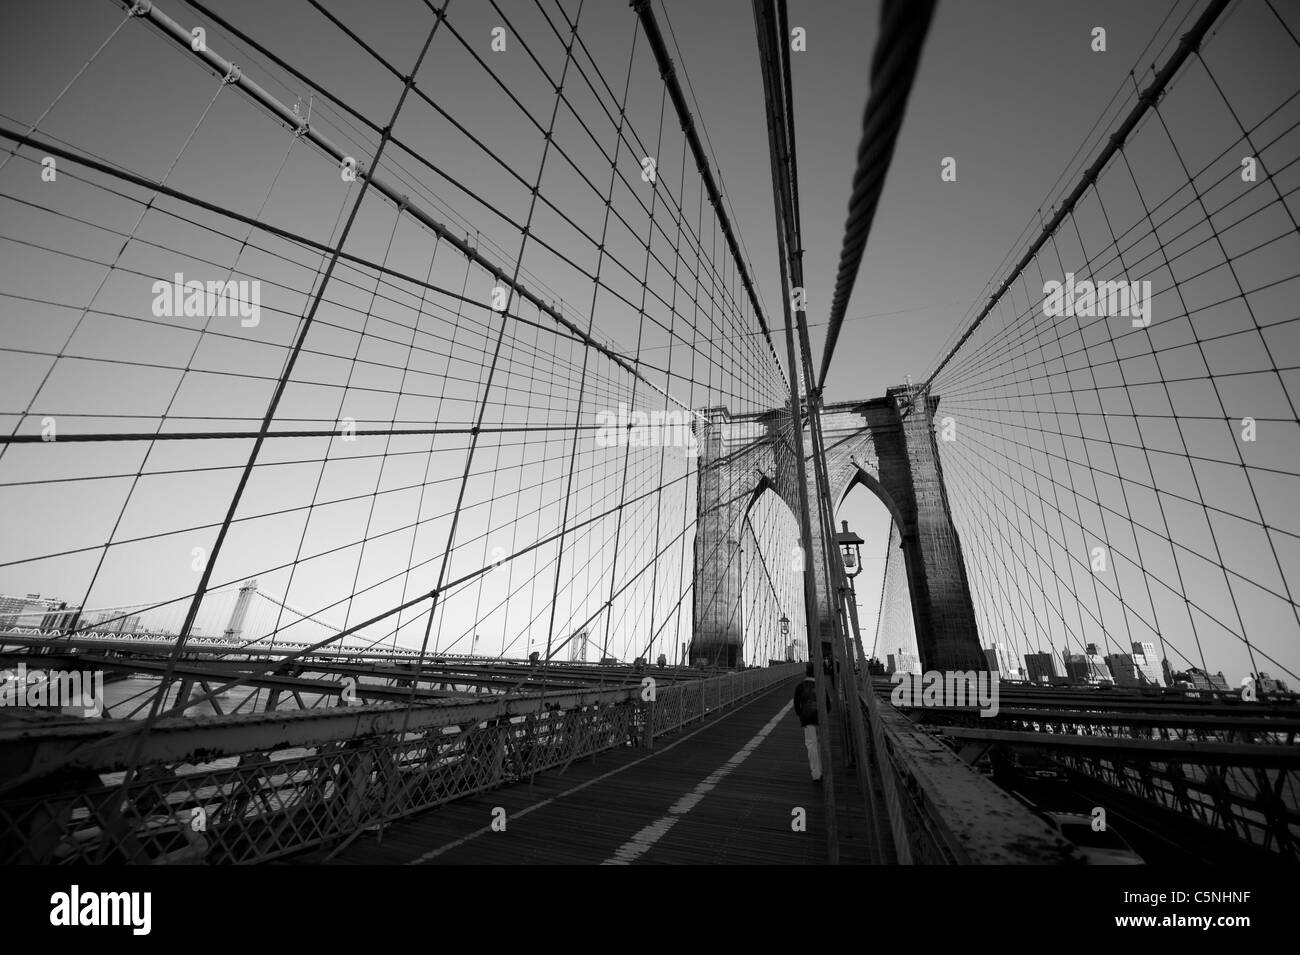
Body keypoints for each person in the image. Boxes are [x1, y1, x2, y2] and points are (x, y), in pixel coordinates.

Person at [793, 662, 827, 782]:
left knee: (812, 745)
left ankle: (816, 773)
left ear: (806, 672)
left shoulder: (800, 686)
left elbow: (796, 705)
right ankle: (822, 770)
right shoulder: (821, 685)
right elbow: (828, 704)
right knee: (820, 744)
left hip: (807, 719)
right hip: (820, 719)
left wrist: (801, 715)